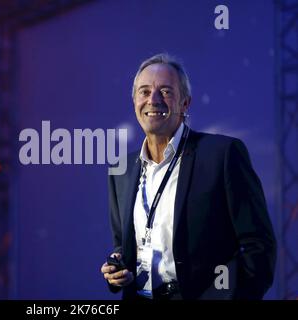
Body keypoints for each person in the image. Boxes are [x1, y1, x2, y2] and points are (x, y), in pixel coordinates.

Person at [100, 53, 276, 300]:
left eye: (166, 91)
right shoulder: (121, 169)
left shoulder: (222, 155)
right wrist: (117, 268)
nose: (153, 99)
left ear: (185, 103)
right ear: (134, 101)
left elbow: (259, 247)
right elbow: (124, 246)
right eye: (144, 91)